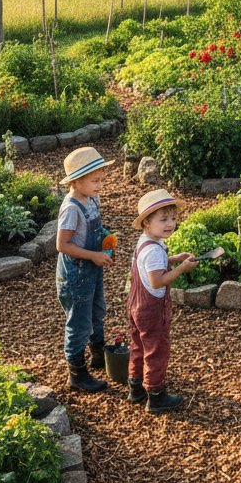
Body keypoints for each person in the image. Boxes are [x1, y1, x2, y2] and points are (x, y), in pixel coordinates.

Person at [127, 189, 206, 413]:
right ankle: (156, 395)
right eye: (163, 219)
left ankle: (136, 387)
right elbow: (157, 281)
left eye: (173, 218)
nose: (170, 223)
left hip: (135, 305)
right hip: (151, 310)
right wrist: (182, 268)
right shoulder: (152, 250)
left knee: (138, 346)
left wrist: (173, 258)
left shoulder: (147, 242)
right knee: (156, 349)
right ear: (146, 223)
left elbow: (155, 264)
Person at [56, 146, 114, 393]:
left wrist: (107, 241)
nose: (100, 185)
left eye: (102, 179)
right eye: (95, 180)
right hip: (77, 272)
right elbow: (62, 244)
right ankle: (77, 374)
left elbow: (94, 229)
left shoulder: (91, 198)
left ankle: (98, 353)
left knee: (97, 308)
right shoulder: (71, 208)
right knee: (78, 320)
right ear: (77, 181)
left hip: (92, 266)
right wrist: (93, 255)